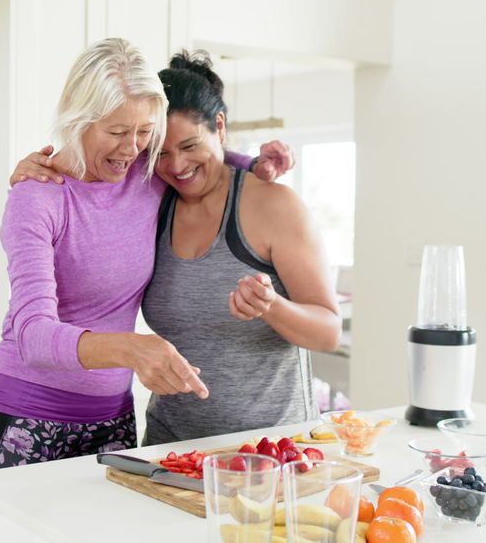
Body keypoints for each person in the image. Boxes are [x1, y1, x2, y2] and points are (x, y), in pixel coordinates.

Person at [0, 38, 292, 472]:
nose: (132, 148)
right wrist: (132, 349)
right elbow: (32, 334)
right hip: (30, 413)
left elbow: (195, 159)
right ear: (77, 113)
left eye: (145, 132)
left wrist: (252, 162)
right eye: (118, 132)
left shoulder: (145, 177)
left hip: (113, 416)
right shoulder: (39, 198)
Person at [139, 51, 341, 444]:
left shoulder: (274, 205)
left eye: (190, 145)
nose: (176, 165)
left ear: (219, 126)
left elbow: (329, 332)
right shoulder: (153, 203)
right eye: (159, 152)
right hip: (171, 453)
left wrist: (272, 307)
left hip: (271, 452)